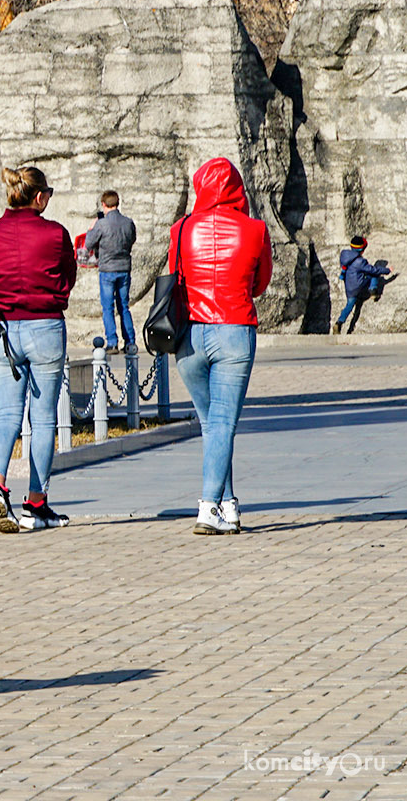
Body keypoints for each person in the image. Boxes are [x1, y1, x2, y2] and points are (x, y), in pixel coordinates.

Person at [169, 158, 271, 535]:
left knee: (212, 425)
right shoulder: (255, 230)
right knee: (224, 424)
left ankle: (228, 505)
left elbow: (177, 277)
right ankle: (209, 506)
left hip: (190, 335)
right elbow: (260, 284)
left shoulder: (180, 230)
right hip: (234, 328)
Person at [0, 165, 77, 535]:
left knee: (6, 415)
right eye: (48, 193)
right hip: (46, 326)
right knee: (44, 419)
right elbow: (68, 276)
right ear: (39, 197)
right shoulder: (55, 234)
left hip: (2, 330)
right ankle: (36, 503)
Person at [84, 190, 137, 351]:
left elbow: (88, 244)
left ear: (104, 205)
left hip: (107, 270)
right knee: (124, 306)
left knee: (108, 307)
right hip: (124, 269)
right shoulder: (128, 222)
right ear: (117, 203)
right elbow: (132, 239)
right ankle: (130, 342)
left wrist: (91, 228)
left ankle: (112, 342)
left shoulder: (101, 224)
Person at [334, 235, 394, 335]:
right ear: (362, 250)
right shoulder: (360, 261)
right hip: (358, 286)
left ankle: (339, 323)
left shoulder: (345, 257)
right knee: (373, 274)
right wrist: (387, 270)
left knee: (349, 306)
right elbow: (374, 270)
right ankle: (373, 291)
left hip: (349, 288)